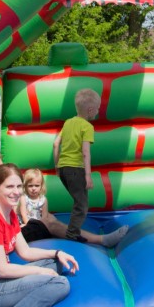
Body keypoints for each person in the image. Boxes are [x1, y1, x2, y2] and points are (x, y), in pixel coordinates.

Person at [0, 163, 79, 307]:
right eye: (10, 187)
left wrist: (57, 253)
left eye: (19, 186)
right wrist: (39, 272)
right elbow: (2, 270)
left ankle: (39, 282)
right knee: (60, 283)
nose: (16, 192)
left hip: (0, 281)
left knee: (54, 262)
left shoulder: (9, 213)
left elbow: (25, 252)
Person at [0, 149, 127, 247]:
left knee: (49, 219)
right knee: (49, 222)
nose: (2, 171)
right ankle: (100, 240)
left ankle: (89, 238)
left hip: (12, 231)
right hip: (8, 236)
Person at [53, 88, 100, 242]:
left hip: (63, 168)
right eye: (97, 108)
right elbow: (85, 152)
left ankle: (74, 231)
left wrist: (57, 167)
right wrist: (88, 176)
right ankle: (72, 235)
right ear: (90, 110)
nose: (98, 111)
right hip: (76, 169)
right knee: (82, 205)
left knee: (78, 202)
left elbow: (55, 144)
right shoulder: (87, 127)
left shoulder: (67, 123)